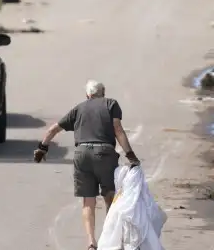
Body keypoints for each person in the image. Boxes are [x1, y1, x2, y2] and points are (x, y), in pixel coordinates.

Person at [34, 80, 139, 250]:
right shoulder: (111, 104)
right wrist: (130, 155)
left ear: (87, 95)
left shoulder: (79, 108)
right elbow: (118, 129)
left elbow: (53, 129)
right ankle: (112, 240)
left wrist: (42, 148)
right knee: (110, 198)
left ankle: (91, 243)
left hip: (82, 154)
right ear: (103, 93)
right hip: (104, 154)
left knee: (88, 201)